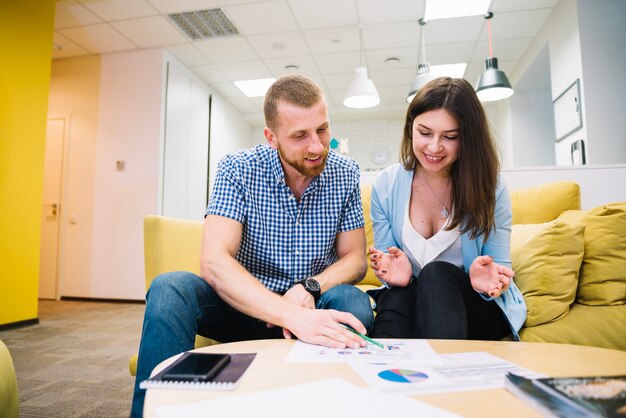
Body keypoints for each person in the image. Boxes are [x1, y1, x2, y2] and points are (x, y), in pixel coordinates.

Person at [131, 74, 374, 417]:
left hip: (312, 309)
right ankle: (152, 412)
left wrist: (309, 287)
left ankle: (330, 406)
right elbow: (214, 262)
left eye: (322, 129)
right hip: (245, 309)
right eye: (300, 135)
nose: (318, 146)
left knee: (353, 302)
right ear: (271, 137)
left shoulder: (345, 172)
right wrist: (287, 314)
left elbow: (355, 259)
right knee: (170, 288)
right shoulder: (238, 169)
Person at [367, 77, 526, 341]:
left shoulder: (490, 187)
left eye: (450, 137)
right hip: (415, 301)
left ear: (468, 139)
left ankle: (447, 377)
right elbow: (388, 267)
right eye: (425, 133)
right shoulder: (386, 184)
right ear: (410, 128)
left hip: (476, 307)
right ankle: (380, 375)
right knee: (397, 297)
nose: (434, 147)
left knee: (436, 274)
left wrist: (484, 282)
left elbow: (498, 269)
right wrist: (394, 276)